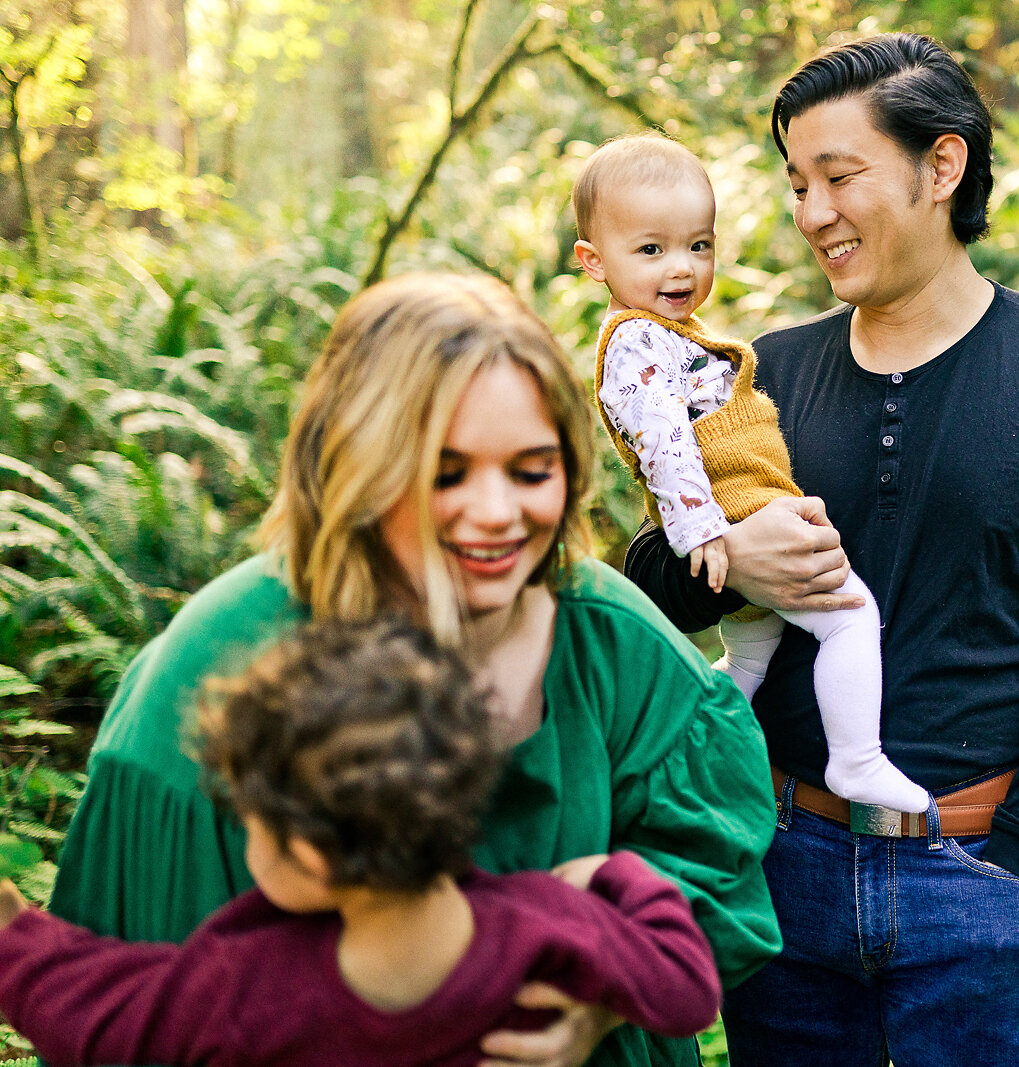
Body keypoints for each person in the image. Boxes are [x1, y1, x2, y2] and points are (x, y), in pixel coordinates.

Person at [47, 271, 780, 1067]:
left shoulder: (606, 638)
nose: (497, 512)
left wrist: (599, 989)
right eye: (445, 471)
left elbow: (717, 872)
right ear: (356, 465)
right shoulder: (211, 669)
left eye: (531, 469)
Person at [625, 32, 1019, 1065]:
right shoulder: (754, 375)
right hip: (780, 872)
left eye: (839, 175)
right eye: (796, 184)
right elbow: (641, 579)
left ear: (941, 166)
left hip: (977, 882)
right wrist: (730, 560)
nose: (812, 213)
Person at [0, 615, 721, 1066]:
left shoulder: (253, 988)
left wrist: (14, 936)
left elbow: (104, 1012)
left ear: (309, 855)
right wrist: (615, 874)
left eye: (251, 822)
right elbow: (686, 987)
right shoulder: (545, 927)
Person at [573, 132, 924, 815]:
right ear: (593, 261)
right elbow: (665, 442)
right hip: (732, 509)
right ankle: (857, 759)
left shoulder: (672, 333)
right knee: (850, 619)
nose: (681, 268)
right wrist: (709, 532)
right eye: (651, 250)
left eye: (698, 246)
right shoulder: (637, 342)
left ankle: (681, 741)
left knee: (749, 660)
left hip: (744, 504)